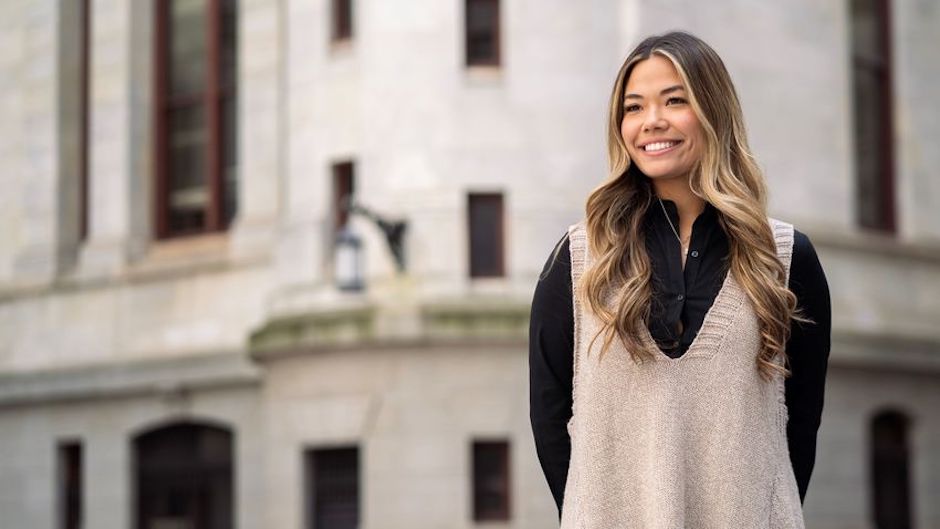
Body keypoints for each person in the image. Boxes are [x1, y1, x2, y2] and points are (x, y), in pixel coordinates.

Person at [528, 31, 831, 528]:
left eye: (675, 100)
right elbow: (549, 419)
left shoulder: (785, 259)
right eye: (633, 107)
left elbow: (799, 429)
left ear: (713, 110)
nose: (652, 122)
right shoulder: (579, 259)